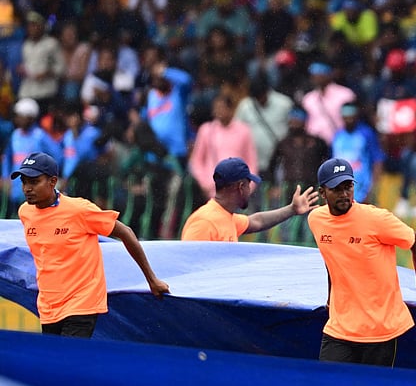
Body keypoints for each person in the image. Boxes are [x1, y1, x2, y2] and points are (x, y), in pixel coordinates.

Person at [13, 152, 169, 337]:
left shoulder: (79, 210)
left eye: (34, 181)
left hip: (81, 304)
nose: (27, 188)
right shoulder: (25, 212)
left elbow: (125, 233)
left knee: (70, 363)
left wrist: (152, 279)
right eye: (24, 182)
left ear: (53, 181)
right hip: (48, 307)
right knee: (58, 364)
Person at [307, 157, 416, 366]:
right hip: (340, 327)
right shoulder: (316, 220)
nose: (344, 194)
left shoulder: (376, 219)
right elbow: (331, 258)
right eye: (336, 189)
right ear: (322, 192)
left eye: (348, 187)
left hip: (380, 329)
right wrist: (331, 297)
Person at [180, 157, 318, 241]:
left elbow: (257, 221)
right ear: (241, 187)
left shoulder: (226, 216)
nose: (250, 190)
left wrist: (292, 209)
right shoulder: (204, 222)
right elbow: (189, 267)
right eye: (248, 185)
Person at [188, 94, 257, 198]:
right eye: (216, 108)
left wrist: (249, 186)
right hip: (213, 190)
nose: (218, 111)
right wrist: (204, 183)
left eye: (222, 108)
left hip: (238, 190)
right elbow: (196, 161)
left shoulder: (243, 131)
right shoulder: (206, 130)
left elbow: (251, 161)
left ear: (231, 109)